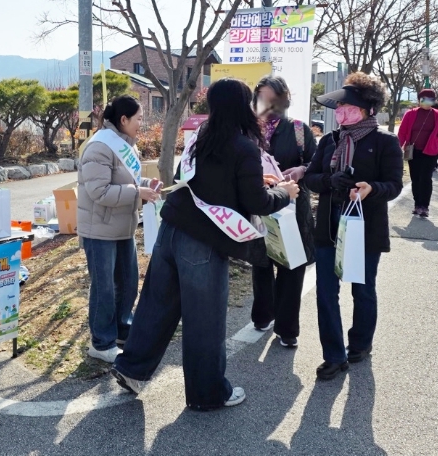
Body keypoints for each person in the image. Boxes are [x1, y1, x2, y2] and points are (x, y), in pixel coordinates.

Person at [112, 78, 299, 409]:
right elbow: (256, 202)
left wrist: (257, 180)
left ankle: (131, 369)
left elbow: (198, 180)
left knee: (156, 305)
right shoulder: (243, 145)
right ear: (243, 105)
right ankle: (208, 394)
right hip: (204, 242)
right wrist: (285, 192)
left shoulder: (201, 136)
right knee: (205, 320)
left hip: (172, 229)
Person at [305, 72, 403, 380]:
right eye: (339, 107)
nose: (341, 112)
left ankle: (360, 343)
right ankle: (334, 356)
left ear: (368, 109)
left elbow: (394, 184)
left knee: (362, 289)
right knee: (325, 291)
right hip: (328, 224)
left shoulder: (385, 141)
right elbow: (311, 177)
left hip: (364, 225)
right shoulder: (330, 140)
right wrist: (329, 180)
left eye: (348, 107)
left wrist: (371, 189)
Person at [77, 95, 161, 363]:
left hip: (122, 227)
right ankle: (101, 343)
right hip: (99, 230)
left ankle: (123, 330)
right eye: (139, 119)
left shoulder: (125, 145)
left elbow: (126, 180)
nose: (141, 124)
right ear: (123, 119)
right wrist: (138, 192)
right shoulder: (99, 147)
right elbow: (100, 191)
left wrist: (146, 184)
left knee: (127, 283)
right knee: (104, 289)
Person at [251, 76, 316, 348]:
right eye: (263, 98)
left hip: (293, 207)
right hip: (259, 205)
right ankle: (263, 315)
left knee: (293, 266)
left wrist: (302, 170)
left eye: (274, 99)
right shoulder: (248, 129)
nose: (268, 105)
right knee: (261, 263)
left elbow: (316, 164)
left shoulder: (299, 130)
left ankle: (287, 328)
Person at [397, 90, 438, 217]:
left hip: (430, 151)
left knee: (426, 178)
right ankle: (417, 204)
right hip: (413, 151)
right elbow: (402, 133)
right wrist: (396, 149)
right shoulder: (410, 114)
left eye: (431, 99)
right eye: (424, 99)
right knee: (415, 178)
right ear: (419, 100)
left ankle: (424, 206)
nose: (427, 102)